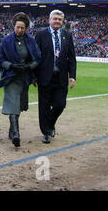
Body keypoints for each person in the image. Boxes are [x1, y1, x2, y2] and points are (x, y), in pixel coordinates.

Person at [0, 12, 41, 147]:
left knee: (19, 105)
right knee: (12, 102)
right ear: (13, 26)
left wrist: (28, 66)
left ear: (26, 28)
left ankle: (11, 129)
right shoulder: (6, 41)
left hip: (24, 77)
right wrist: (11, 65)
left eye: (22, 28)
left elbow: (38, 58)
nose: (20, 30)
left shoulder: (31, 41)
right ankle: (16, 133)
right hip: (11, 77)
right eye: (17, 27)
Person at [35, 10, 76, 144]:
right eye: (55, 19)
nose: (57, 21)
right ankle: (46, 132)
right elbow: (35, 57)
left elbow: (72, 58)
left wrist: (72, 76)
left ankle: (50, 124)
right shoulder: (41, 35)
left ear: (62, 21)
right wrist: (34, 76)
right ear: (49, 20)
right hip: (44, 77)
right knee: (44, 107)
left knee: (60, 104)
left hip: (61, 78)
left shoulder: (67, 35)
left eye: (60, 19)